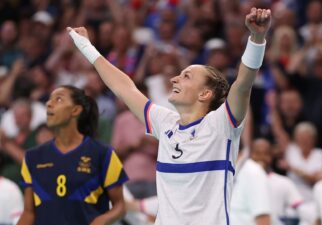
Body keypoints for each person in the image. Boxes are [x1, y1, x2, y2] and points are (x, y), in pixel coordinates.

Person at [67, 7, 271, 225]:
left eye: (186, 76)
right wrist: (86, 47)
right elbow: (124, 87)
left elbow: (242, 84)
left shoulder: (222, 125)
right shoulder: (165, 123)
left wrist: (256, 39)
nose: (174, 79)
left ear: (205, 93)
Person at [16, 86, 128, 225]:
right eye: (49, 100)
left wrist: (102, 220)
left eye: (58, 99)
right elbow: (28, 213)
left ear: (76, 110)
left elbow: (120, 206)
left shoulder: (103, 154)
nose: (49, 104)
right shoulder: (32, 157)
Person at [250, 138, 303, 225]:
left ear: (271, 156)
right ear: (250, 155)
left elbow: (301, 211)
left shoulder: (284, 182)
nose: (261, 157)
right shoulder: (238, 181)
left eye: (266, 154)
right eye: (257, 153)